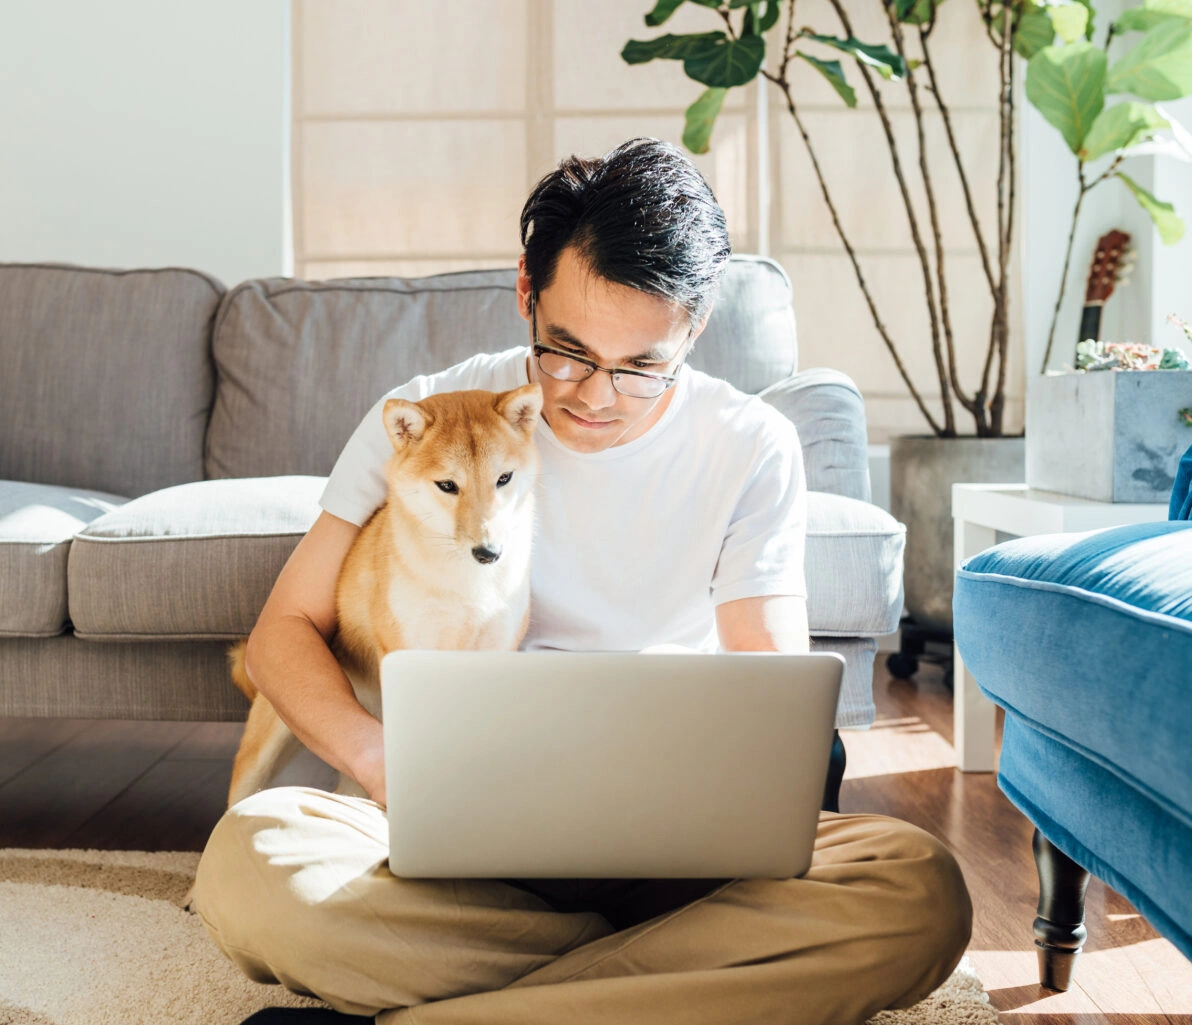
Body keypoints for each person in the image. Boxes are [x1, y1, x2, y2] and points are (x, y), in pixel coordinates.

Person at [192, 137, 972, 1025]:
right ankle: (664, 986)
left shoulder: (752, 444)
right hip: (456, 839)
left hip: (677, 846)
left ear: (695, 327)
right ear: (527, 291)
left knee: (918, 890)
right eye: (565, 352)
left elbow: (771, 680)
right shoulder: (432, 416)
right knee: (252, 860)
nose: (595, 396)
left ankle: (450, 1004)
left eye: (641, 367)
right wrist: (376, 759)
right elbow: (283, 630)